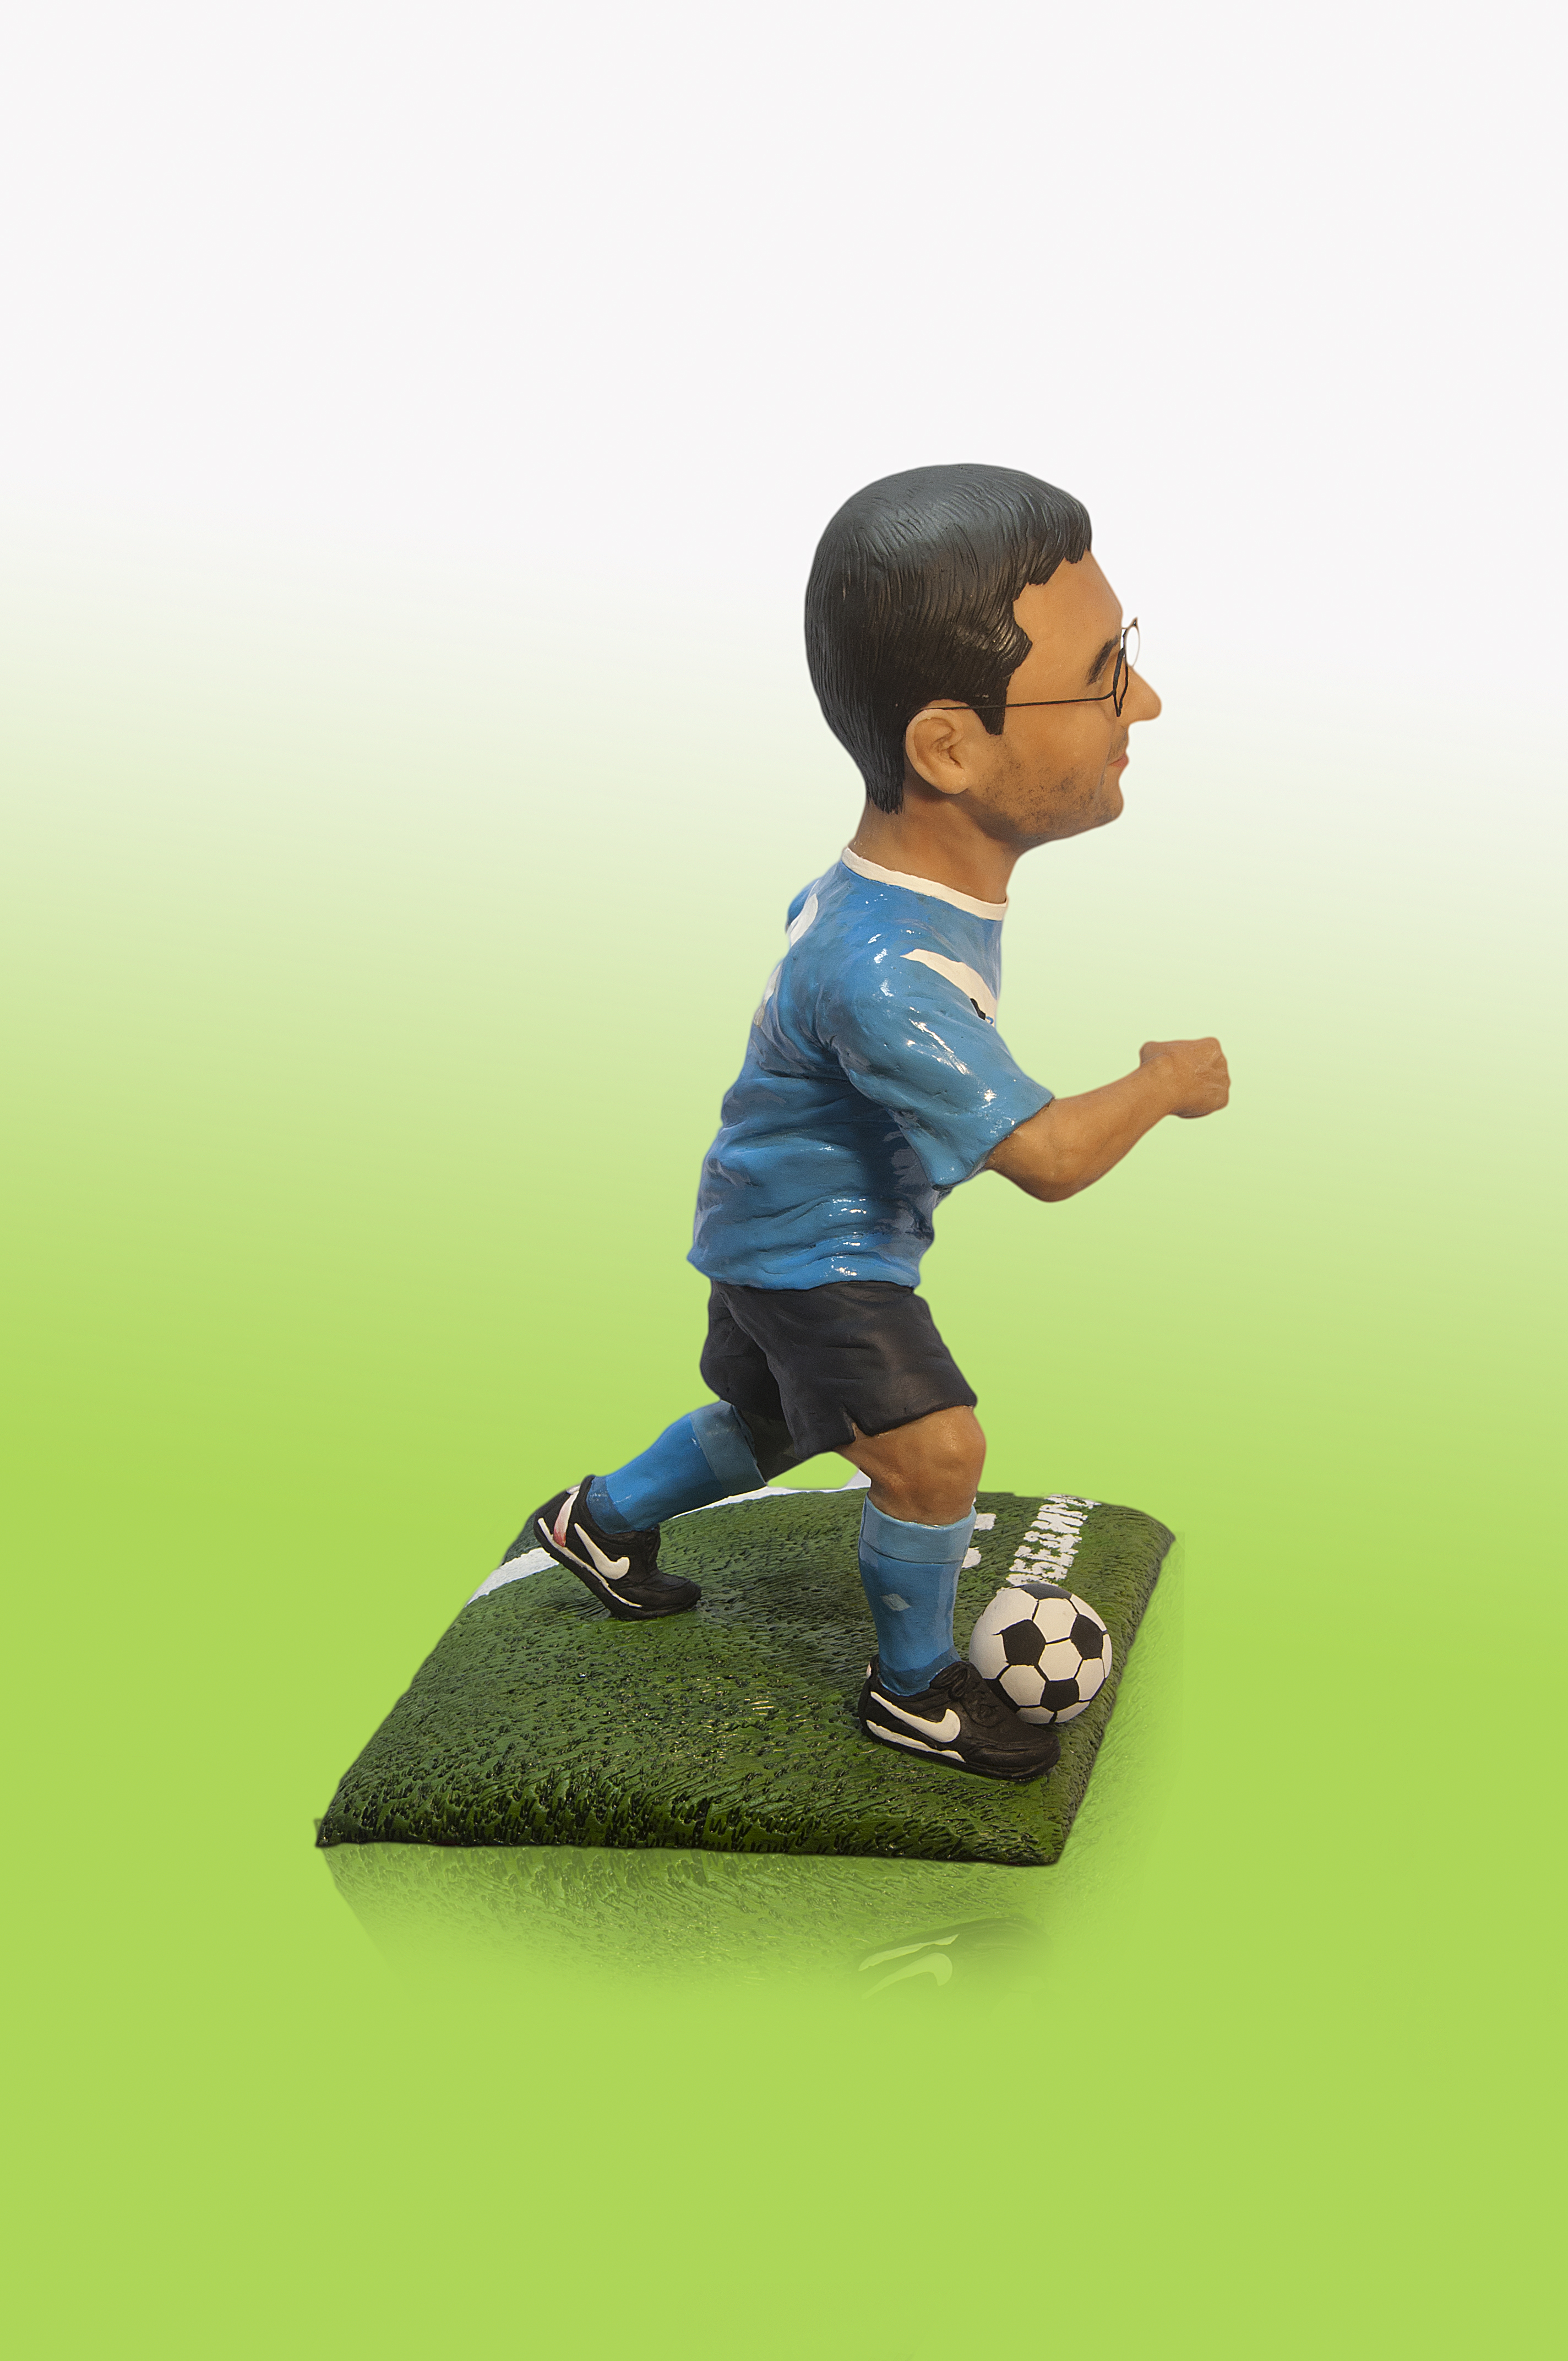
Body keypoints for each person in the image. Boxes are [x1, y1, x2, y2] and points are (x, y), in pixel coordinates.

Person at [515, 462, 1229, 1782]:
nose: (1142, 703)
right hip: (814, 1247)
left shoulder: (889, 898)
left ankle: (595, 1523)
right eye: (1103, 675)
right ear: (948, 748)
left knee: (772, 1420)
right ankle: (911, 1690)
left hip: (767, 1214)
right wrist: (1160, 1080)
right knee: (934, 1450)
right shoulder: (886, 972)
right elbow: (1048, 1159)